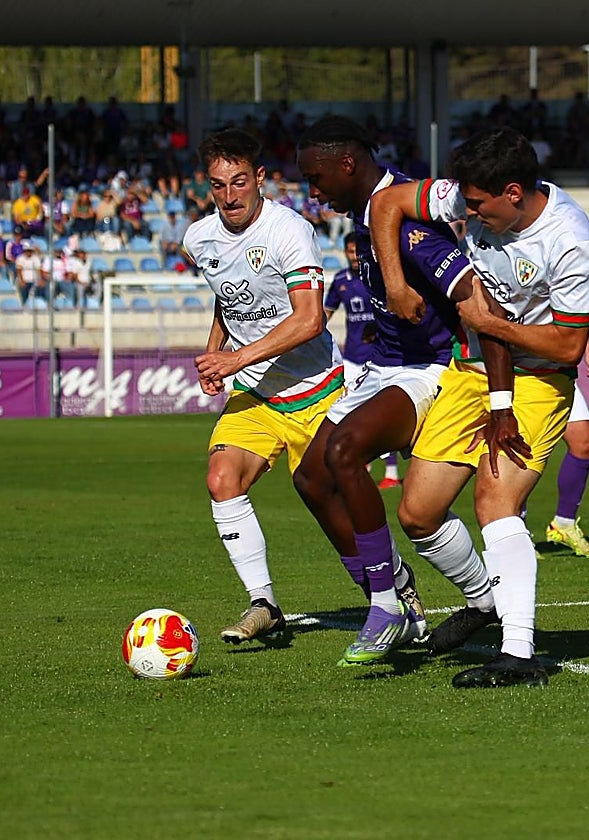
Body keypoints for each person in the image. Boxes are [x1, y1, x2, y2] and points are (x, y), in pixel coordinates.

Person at [370, 126, 589, 688]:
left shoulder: (570, 244)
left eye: (477, 207)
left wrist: (493, 324)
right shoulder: (470, 196)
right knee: (417, 512)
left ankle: (519, 654)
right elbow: (386, 203)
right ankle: (486, 599)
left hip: (541, 378)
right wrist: (397, 284)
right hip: (474, 371)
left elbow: (569, 346)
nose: (466, 215)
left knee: (495, 498)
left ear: (514, 193)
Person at [292, 115, 507, 668]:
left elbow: (469, 291)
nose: (312, 193)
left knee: (345, 455)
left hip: (430, 370)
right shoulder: (364, 217)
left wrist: (502, 386)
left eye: (316, 179)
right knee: (311, 479)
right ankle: (415, 594)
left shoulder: (407, 219)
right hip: (379, 368)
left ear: (347, 164)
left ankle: (386, 603)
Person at [183, 128, 345, 647]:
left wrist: (234, 358)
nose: (229, 196)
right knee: (221, 478)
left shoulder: (288, 230)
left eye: (238, 182)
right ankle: (264, 603)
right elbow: (226, 297)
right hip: (256, 392)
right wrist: (216, 354)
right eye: (217, 186)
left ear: (259, 179)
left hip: (317, 388)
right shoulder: (198, 238)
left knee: (337, 510)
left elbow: (310, 320)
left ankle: (395, 594)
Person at [322, 232, 403, 491]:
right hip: (353, 359)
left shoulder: (378, 276)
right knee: (350, 412)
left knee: (385, 416)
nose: (353, 256)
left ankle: (391, 472)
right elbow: (326, 313)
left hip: (382, 357)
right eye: (348, 251)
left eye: (356, 251)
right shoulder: (341, 281)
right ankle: (360, 465)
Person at [545, 342, 589, 558]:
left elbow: (569, 309)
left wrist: (587, 352)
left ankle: (564, 524)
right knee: (523, 448)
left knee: (584, 443)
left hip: (557, 369)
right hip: (519, 370)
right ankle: (516, 532)